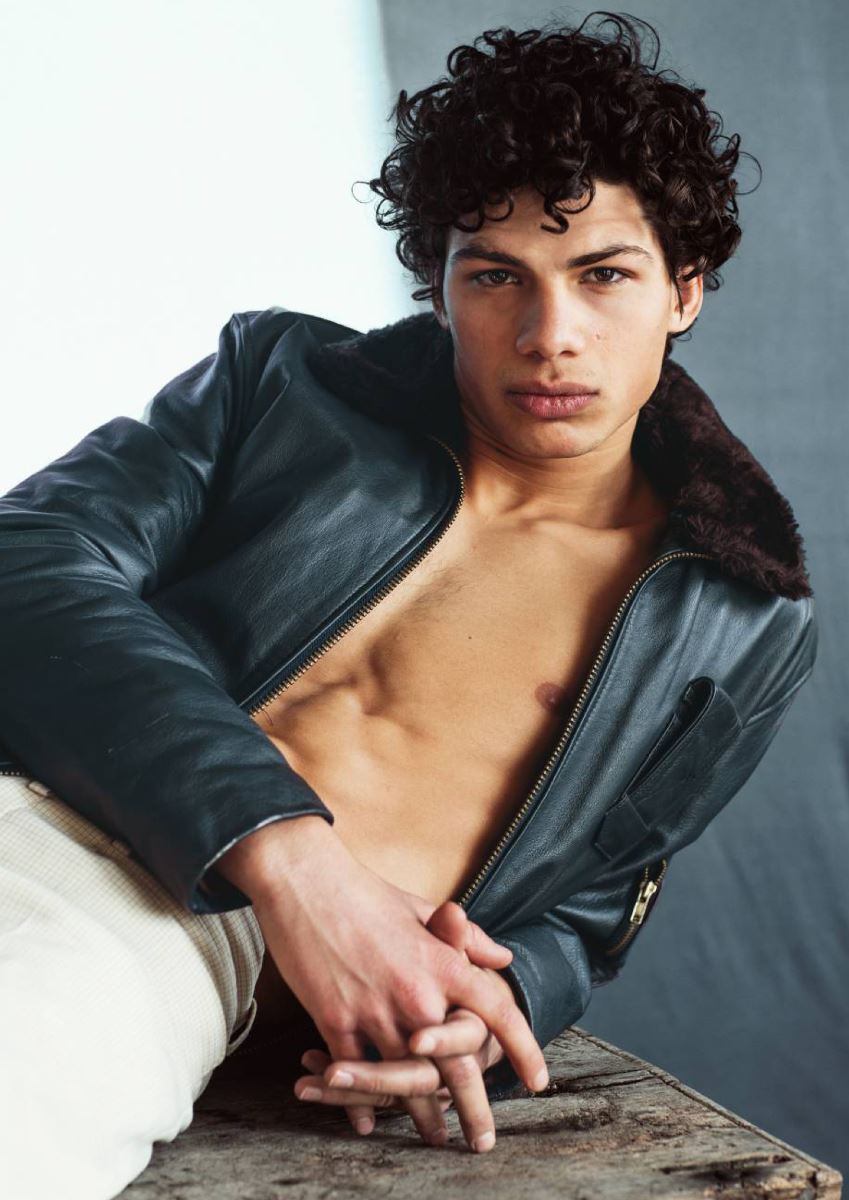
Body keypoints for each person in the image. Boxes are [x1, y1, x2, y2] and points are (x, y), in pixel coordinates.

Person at [0, 12, 818, 1196]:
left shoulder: (739, 619)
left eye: (603, 275)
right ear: (437, 286)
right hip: (59, 813)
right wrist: (298, 863)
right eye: (496, 276)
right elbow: (26, 556)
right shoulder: (283, 385)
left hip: (168, 943)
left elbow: (590, 907)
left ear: (684, 289)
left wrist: (487, 1008)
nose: (550, 336)